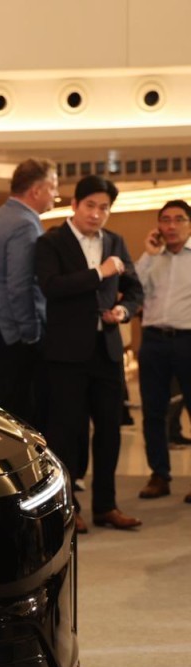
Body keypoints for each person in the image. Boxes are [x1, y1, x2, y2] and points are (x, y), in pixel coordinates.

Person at [35, 175, 144, 533]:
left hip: (106, 350)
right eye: (90, 206)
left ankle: (106, 506)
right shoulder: (51, 241)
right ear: (74, 205)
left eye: (104, 208)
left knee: (110, 429)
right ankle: (70, 508)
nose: (97, 214)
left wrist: (124, 311)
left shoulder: (115, 241)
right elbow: (52, 287)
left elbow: (134, 289)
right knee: (67, 432)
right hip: (66, 353)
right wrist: (99, 272)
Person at [0, 158, 56, 426]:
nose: (56, 194)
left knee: (4, 413)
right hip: (9, 332)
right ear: (36, 191)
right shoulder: (24, 223)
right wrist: (31, 334)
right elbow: (20, 285)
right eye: (52, 187)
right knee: (20, 419)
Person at [133, 199, 191, 503]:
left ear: (189, 225)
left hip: (188, 339)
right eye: (165, 220)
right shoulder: (151, 258)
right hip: (154, 340)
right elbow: (132, 290)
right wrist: (148, 255)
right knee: (153, 411)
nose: (171, 226)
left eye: (179, 219)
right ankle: (159, 475)